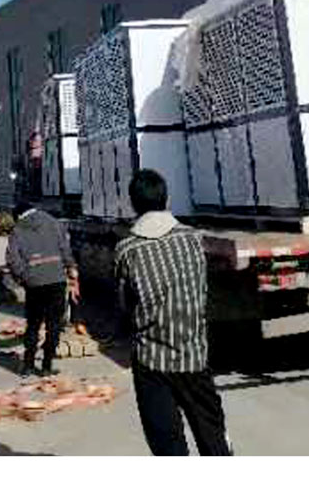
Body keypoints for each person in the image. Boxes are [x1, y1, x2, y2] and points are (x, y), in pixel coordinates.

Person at [114, 169, 233, 456]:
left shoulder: (127, 249)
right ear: (167, 199)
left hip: (151, 361)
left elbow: (125, 304)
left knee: (167, 444)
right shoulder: (193, 238)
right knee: (213, 435)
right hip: (193, 355)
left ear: (133, 204)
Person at [5, 200, 79, 377]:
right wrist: (71, 268)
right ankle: (46, 366)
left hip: (34, 283)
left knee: (33, 324)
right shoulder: (54, 222)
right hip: (57, 279)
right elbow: (65, 249)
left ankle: (28, 366)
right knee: (54, 325)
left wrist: (23, 277)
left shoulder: (17, 230)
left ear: (18, 215)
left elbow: (12, 259)